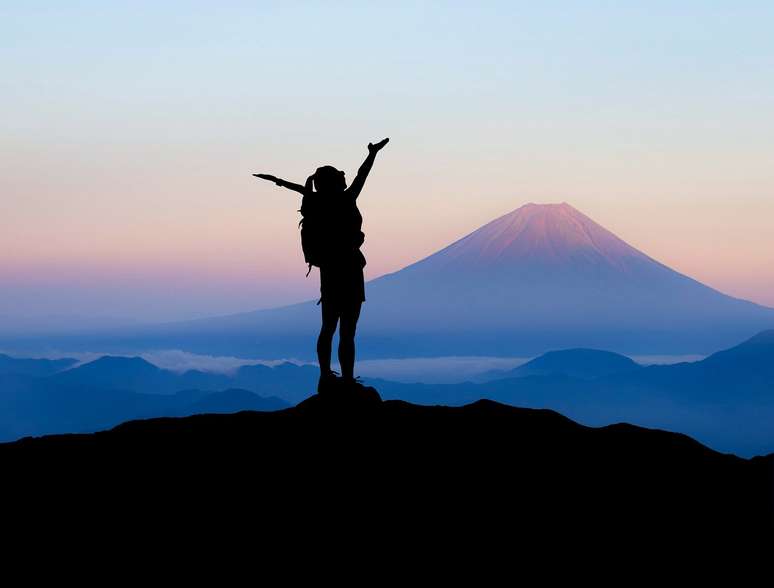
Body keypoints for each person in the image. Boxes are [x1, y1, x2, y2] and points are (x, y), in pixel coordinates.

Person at [254, 138, 389, 394]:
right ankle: (347, 379)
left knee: (328, 326)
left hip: (329, 272)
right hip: (350, 269)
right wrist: (372, 154)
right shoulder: (347, 199)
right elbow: (363, 175)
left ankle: (325, 374)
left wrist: (279, 182)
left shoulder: (316, 203)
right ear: (336, 182)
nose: (345, 178)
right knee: (348, 330)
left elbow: (302, 191)